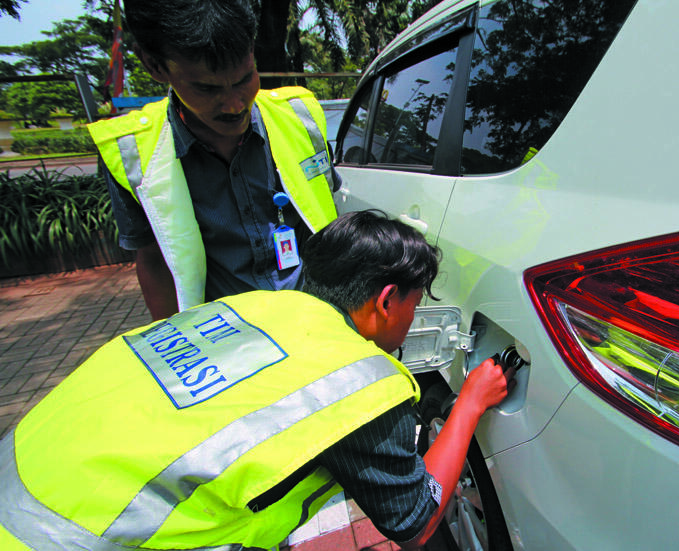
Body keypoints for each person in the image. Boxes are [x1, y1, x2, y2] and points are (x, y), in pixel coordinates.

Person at [0, 211, 513, 551]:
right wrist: (468, 404)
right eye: (415, 303)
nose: (415, 316)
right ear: (384, 301)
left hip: (19, 474)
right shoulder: (359, 384)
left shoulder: (250, 305)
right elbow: (416, 520)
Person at [88, 0, 338, 321]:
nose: (235, 105)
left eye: (245, 78)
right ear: (154, 66)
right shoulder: (133, 152)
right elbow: (152, 258)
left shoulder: (300, 116)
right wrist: (175, 341)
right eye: (207, 88)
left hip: (316, 320)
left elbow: (327, 216)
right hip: (224, 342)